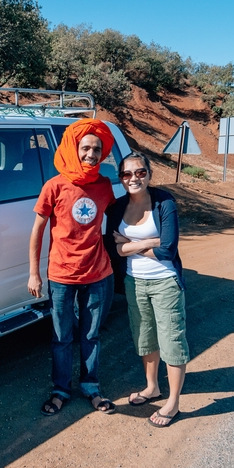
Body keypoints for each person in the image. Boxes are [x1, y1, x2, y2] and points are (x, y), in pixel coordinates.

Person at [28, 118, 117, 416]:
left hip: (98, 274)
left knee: (91, 335)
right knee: (61, 337)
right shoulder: (54, 186)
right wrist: (34, 273)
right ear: (73, 148)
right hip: (62, 275)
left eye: (97, 149)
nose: (91, 155)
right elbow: (38, 230)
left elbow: (117, 221)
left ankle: (91, 387)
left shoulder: (104, 186)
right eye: (86, 148)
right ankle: (61, 389)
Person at [106, 152, 189, 428]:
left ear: (149, 174)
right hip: (134, 281)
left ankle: (173, 402)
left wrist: (129, 244)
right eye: (127, 174)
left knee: (171, 341)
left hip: (165, 281)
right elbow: (113, 250)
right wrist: (147, 242)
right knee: (144, 337)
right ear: (121, 178)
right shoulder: (116, 208)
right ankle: (152, 387)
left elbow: (167, 250)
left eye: (140, 172)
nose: (134, 178)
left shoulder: (164, 202)